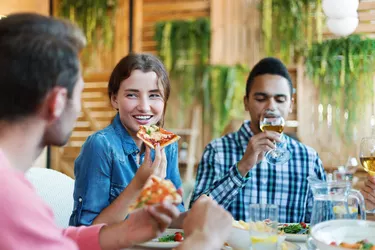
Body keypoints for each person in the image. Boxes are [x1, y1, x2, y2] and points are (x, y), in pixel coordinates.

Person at [0, 13, 179, 250]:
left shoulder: (16, 192)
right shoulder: (10, 198)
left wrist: (126, 231)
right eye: (80, 92)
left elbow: (53, 239)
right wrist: (205, 240)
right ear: (57, 102)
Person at [190, 57, 326, 223]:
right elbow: (194, 217)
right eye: (261, 98)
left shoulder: (308, 158)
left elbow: (323, 225)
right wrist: (242, 167)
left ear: (290, 104)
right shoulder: (217, 151)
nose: (271, 106)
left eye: (280, 99)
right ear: (246, 102)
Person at [70, 53, 185, 227]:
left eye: (154, 95)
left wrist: (197, 215)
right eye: (132, 95)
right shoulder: (101, 146)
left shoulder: (167, 146)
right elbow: (88, 231)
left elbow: (174, 219)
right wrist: (139, 185)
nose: (144, 106)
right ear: (114, 99)